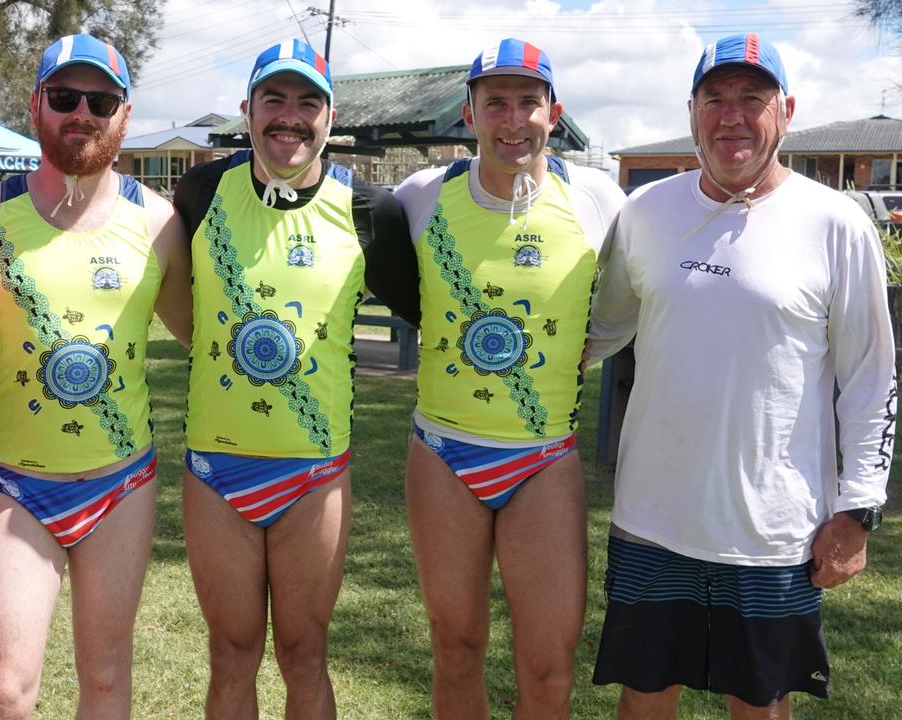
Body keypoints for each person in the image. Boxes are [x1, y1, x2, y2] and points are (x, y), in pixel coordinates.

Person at [587, 33, 894, 719]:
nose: (732, 116)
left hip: (773, 531)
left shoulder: (836, 223)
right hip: (652, 518)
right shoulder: (645, 213)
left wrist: (857, 511)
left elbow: (871, 378)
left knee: (759, 704)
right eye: (715, 99)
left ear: (785, 110)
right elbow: (598, 331)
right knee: (643, 697)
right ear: (692, 110)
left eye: (751, 99)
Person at [0, 33, 191, 719]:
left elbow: (205, 333)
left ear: (124, 115)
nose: (83, 112)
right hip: (18, 486)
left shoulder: (159, 222)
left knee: (106, 679)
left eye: (101, 100)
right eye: (65, 97)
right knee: (4, 688)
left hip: (123, 484)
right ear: (35, 105)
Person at [383, 38, 625, 719]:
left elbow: (628, 302)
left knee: (548, 668)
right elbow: (405, 290)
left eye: (528, 102)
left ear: (555, 112)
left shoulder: (598, 199)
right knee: (455, 647)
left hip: (543, 458)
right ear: (469, 114)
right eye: (496, 103)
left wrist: (583, 348)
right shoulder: (420, 196)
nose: (512, 120)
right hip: (443, 454)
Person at [173, 38, 411, 719]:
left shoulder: (369, 210)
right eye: (273, 99)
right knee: (231, 655)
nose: (289, 116)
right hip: (217, 473)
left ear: (330, 119)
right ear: (247, 110)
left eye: (308, 102)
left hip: (315, 477)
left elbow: (434, 312)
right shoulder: (200, 191)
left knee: (305, 654)